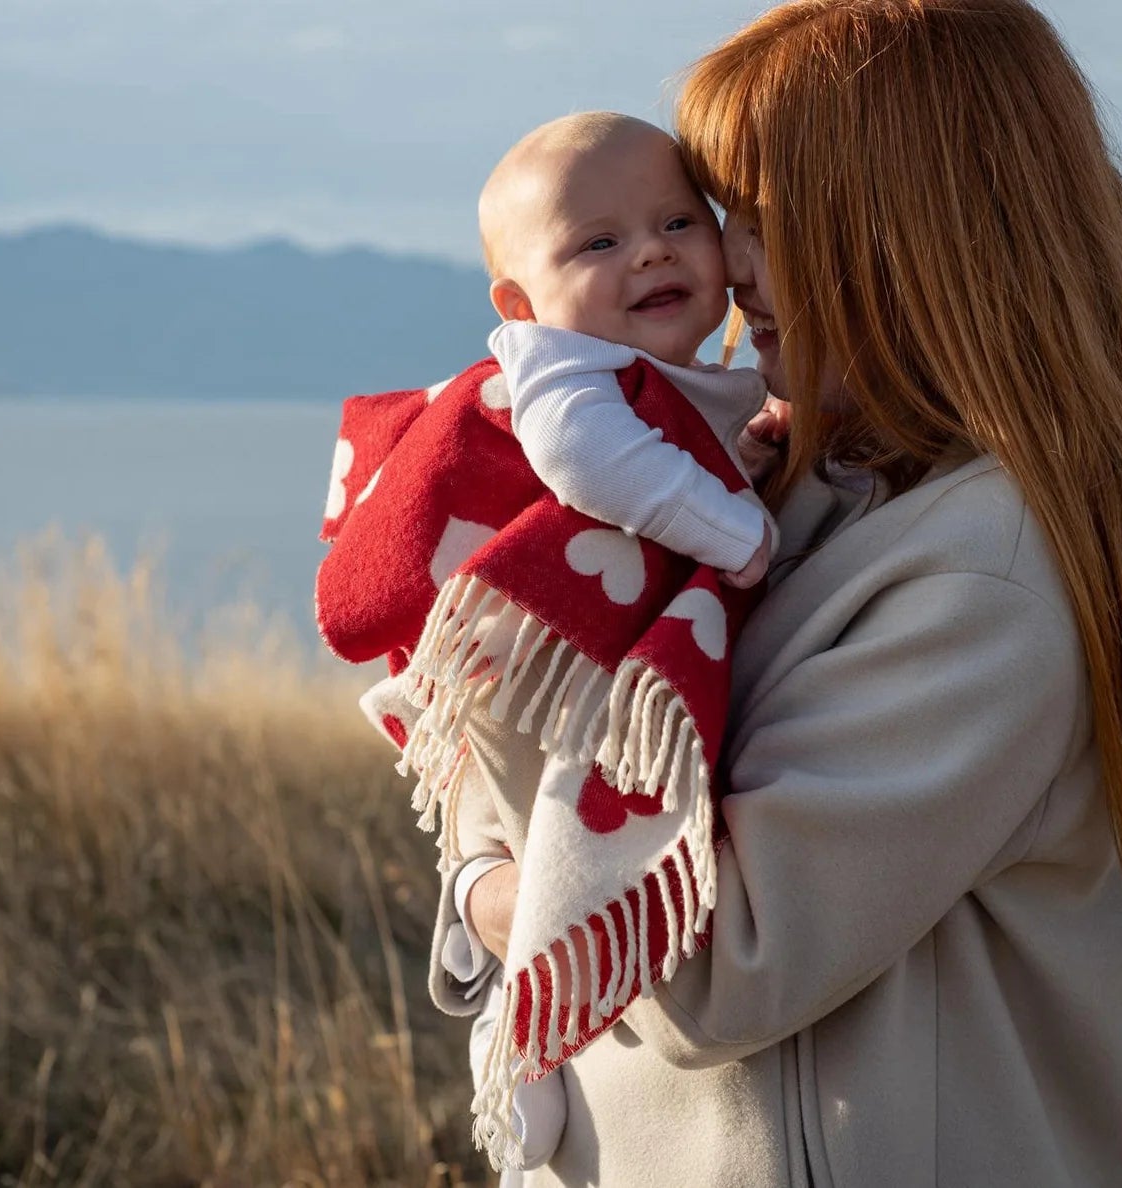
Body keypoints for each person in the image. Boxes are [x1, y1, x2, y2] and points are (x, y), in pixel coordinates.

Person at [439, 1, 1122, 1184]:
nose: (728, 265)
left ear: (917, 235)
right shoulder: (777, 479)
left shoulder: (983, 576)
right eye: (723, 218)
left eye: (764, 222)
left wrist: (503, 898)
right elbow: (558, 817)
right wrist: (489, 881)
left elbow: (707, 968)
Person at [316, 112, 781, 1171]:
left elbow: (711, 445)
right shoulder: (560, 372)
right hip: (551, 672)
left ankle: (531, 1029)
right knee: (555, 842)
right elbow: (591, 464)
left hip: (598, 677)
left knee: (573, 851)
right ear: (521, 305)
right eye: (598, 243)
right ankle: (516, 1044)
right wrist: (741, 534)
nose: (651, 252)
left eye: (676, 221)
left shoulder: (705, 384)